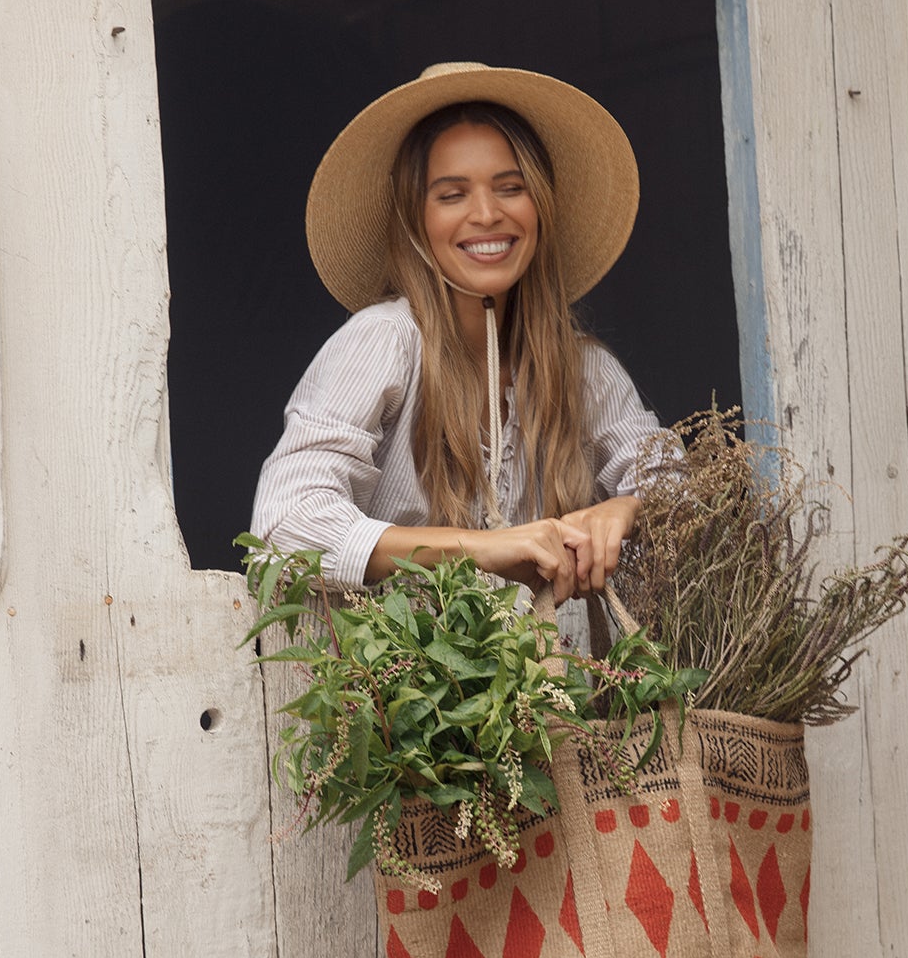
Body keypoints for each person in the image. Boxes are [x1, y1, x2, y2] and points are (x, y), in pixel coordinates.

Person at [250, 61, 659, 608]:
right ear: (416, 220)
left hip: (563, 691)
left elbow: (691, 503)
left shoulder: (583, 371)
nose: (487, 214)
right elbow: (282, 527)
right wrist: (477, 548)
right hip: (393, 690)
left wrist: (626, 511)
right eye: (452, 194)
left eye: (511, 188)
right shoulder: (385, 342)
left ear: (539, 205)